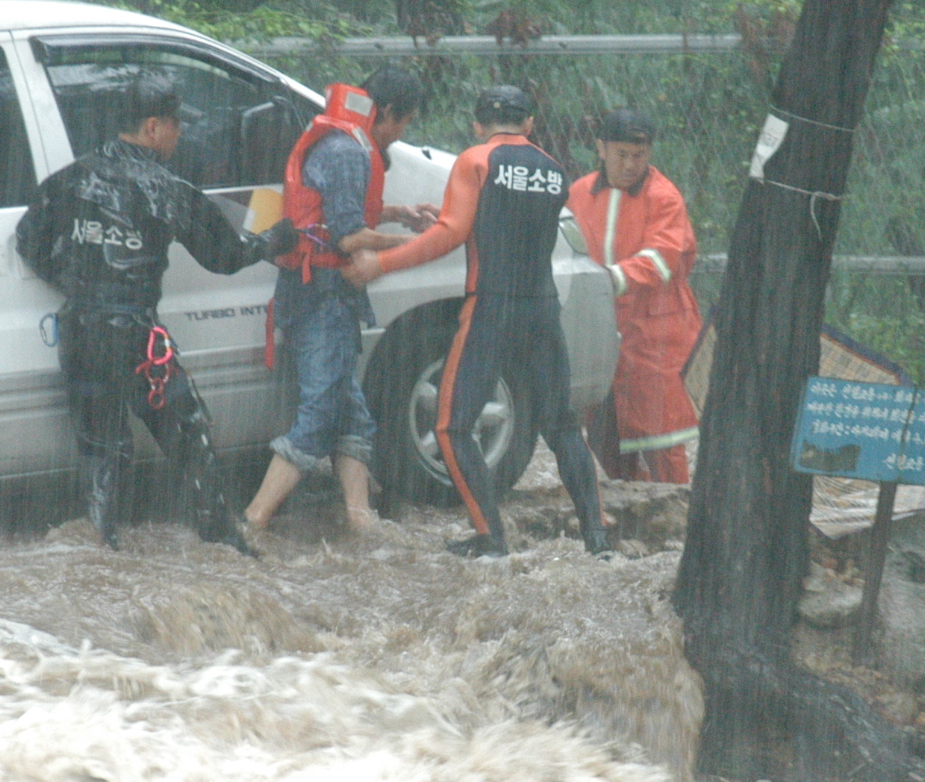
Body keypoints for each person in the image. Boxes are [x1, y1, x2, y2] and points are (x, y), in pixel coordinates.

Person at [15, 71, 298, 553]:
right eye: (175, 124)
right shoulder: (167, 190)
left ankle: (98, 548)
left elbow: (28, 240)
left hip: (79, 333)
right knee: (190, 438)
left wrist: (78, 283)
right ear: (152, 127)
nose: (180, 133)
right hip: (135, 339)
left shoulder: (70, 179)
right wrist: (272, 242)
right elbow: (224, 256)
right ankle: (228, 545)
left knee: (102, 453)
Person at [344, 85, 610, 558]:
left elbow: (449, 235)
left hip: (491, 307)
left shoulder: (475, 161)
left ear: (478, 125)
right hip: (543, 309)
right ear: (529, 125)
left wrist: (381, 265)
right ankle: (598, 540)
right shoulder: (553, 170)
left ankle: (491, 538)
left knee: (451, 426)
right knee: (563, 426)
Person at [243, 66, 438, 534]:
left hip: (314, 291)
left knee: (351, 413)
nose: (401, 134)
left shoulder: (338, 141)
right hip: (324, 297)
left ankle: (360, 520)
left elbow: (335, 214)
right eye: (404, 123)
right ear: (387, 113)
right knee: (321, 412)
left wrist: (399, 214)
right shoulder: (350, 152)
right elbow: (349, 238)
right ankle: (254, 520)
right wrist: (422, 244)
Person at [565, 108, 702, 484]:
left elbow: (663, 258)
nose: (630, 164)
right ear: (601, 149)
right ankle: (635, 511)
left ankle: (673, 512)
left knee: (663, 438)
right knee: (605, 437)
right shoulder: (579, 193)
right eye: (622, 154)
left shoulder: (664, 197)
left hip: (656, 332)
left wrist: (609, 280)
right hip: (602, 330)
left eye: (639, 156)